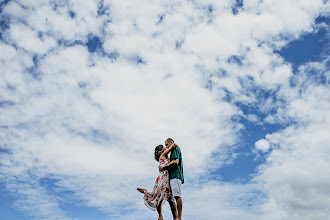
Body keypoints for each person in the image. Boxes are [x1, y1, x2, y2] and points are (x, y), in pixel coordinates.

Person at [137, 143, 178, 220]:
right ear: (162, 150)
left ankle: (175, 217)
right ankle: (160, 216)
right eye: (164, 147)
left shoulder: (165, 157)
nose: (166, 147)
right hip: (163, 177)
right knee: (159, 196)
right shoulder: (162, 155)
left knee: (168, 198)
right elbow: (170, 149)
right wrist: (173, 144)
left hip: (167, 177)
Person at [159, 138, 184, 220]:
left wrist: (164, 167)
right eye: (165, 145)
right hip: (172, 177)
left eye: (167, 144)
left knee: (177, 195)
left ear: (171, 143)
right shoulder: (172, 150)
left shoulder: (175, 149)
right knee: (171, 200)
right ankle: (175, 217)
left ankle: (179, 217)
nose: (166, 147)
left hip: (175, 176)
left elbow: (175, 161)